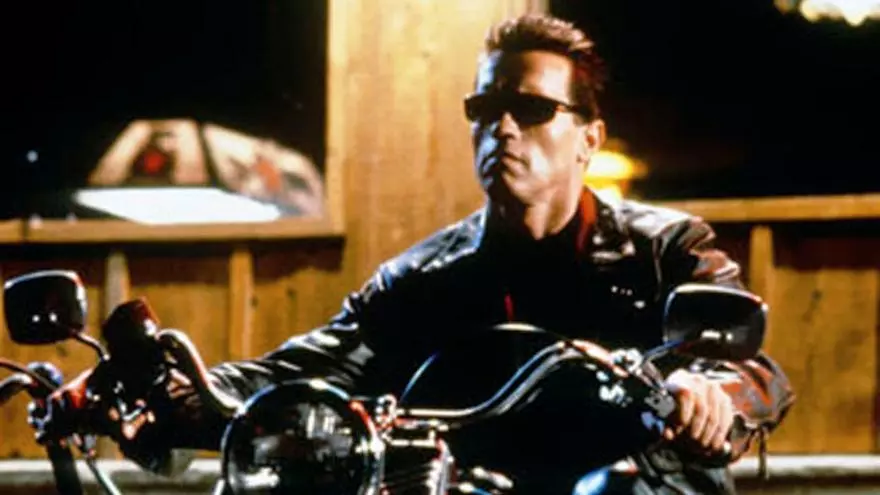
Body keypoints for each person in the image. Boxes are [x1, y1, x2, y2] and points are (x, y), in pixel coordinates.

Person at [32, 13, 794, 494]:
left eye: (531, 109)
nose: (503, 128)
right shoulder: (424, 278)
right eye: (485, 108)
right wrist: (150, 387)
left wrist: (708, 389)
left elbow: (754, 368)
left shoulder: (664, 249)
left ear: (587, 138)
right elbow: (304, 369)